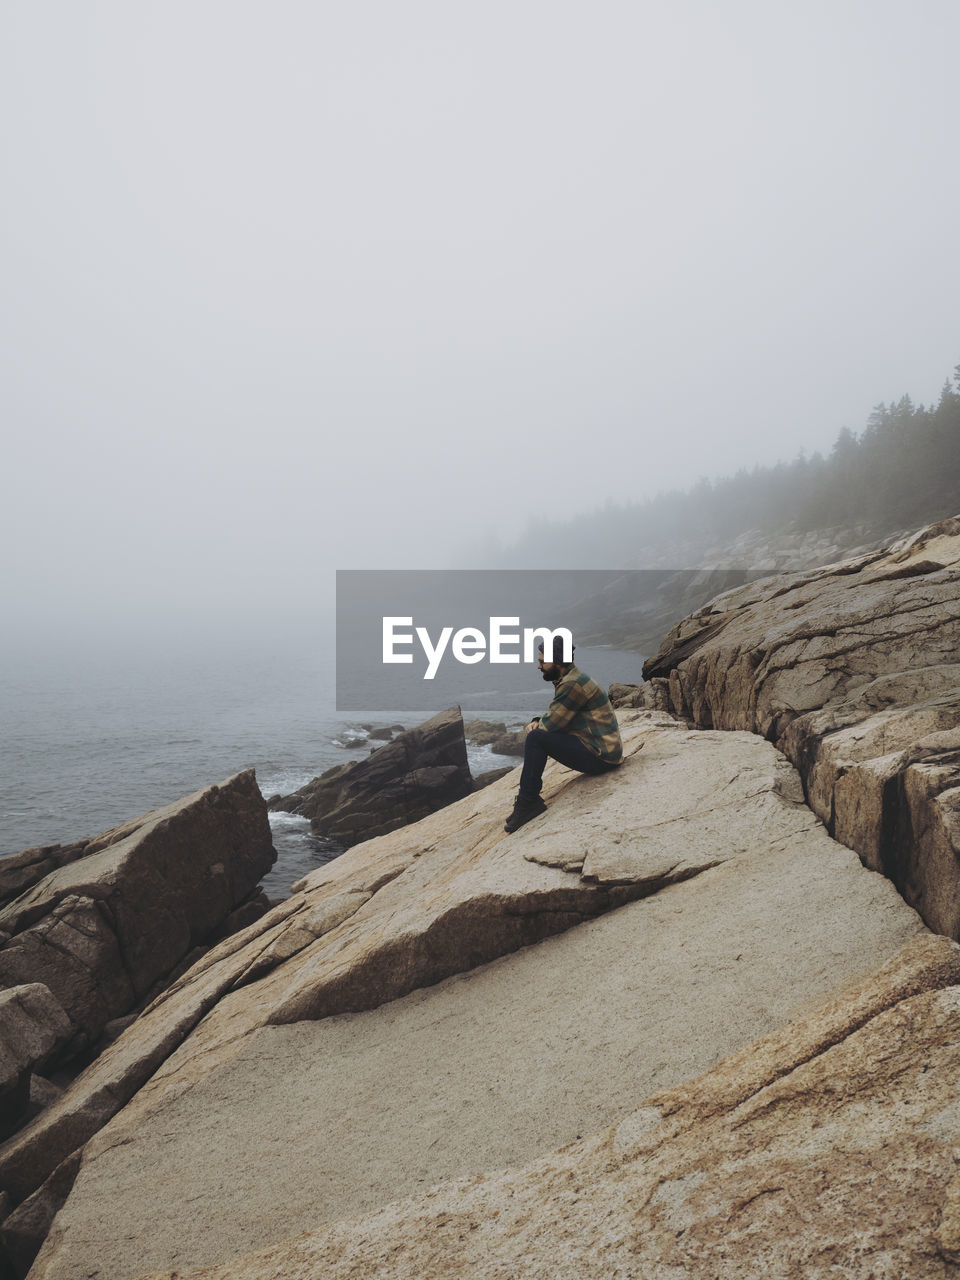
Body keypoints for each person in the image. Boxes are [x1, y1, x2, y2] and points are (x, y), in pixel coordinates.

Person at [504, 636, 623, 833]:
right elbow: (559, 715)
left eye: (542, 661)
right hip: (603, 750)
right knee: (538, 735)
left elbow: (549, 726)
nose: (538, 666)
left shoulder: (572, 684)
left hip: (601, 756)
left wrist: (537, 724)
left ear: (557, 662)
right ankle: (527, 800)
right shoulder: (571, 679)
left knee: (535, 738)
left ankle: (528, 802)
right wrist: (538, 721)